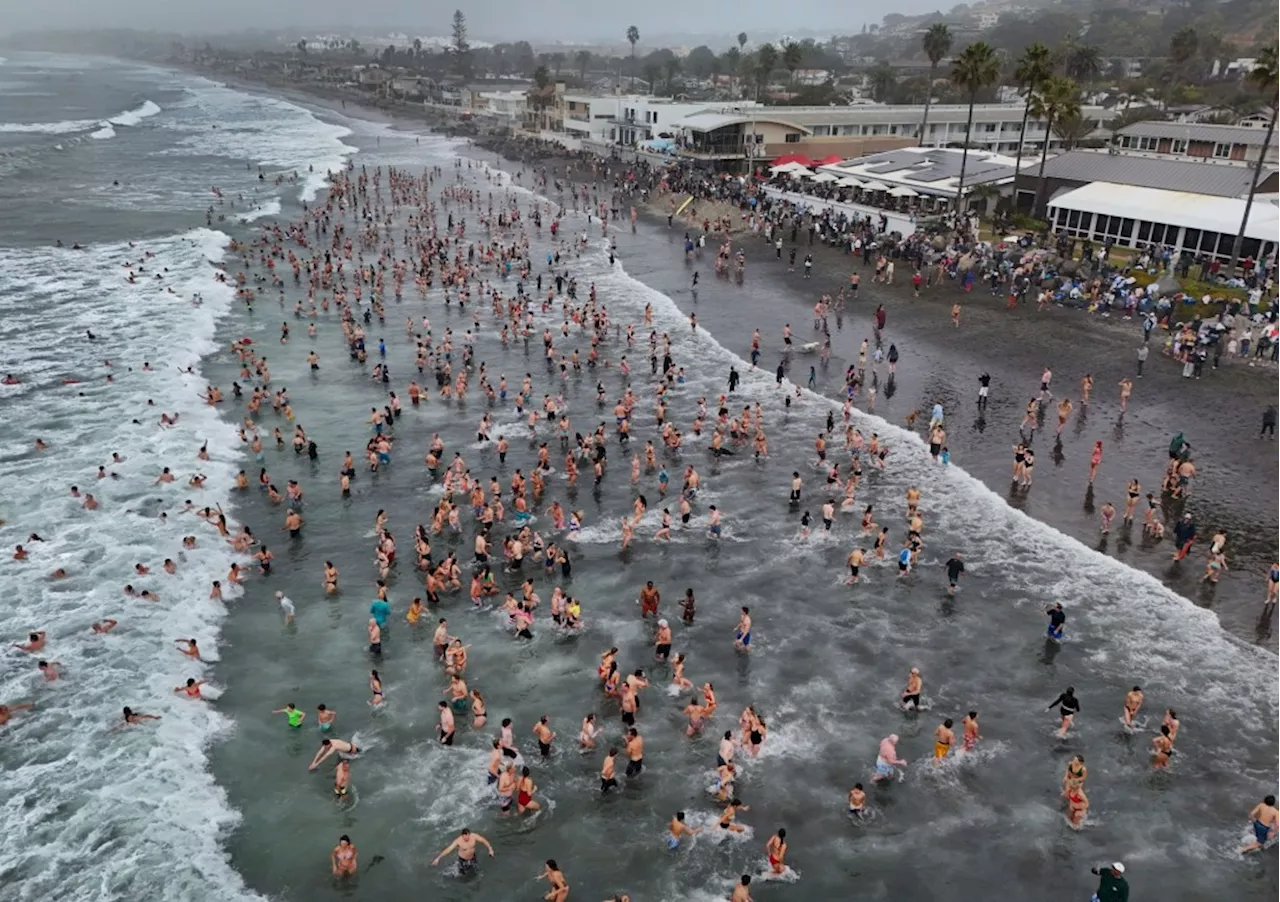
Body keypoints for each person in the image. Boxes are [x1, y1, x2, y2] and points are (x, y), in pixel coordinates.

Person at [430, 827, 495, 872]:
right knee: (463, 874)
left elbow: (483, 840)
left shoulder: (474, 836)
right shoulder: (458, 841)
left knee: (474, 870)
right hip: (463, 860)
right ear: (462, 835)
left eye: (468, 836)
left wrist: (490, 849)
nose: (467, 839)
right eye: (465, 838)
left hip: (472, 857)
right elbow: (448, 849)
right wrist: (438, 858)